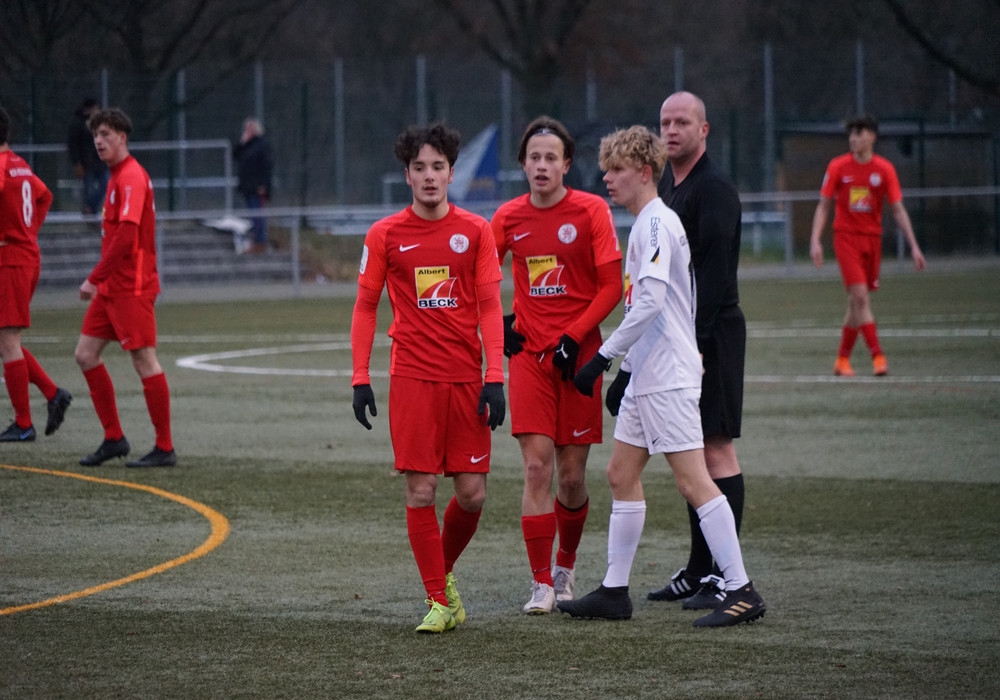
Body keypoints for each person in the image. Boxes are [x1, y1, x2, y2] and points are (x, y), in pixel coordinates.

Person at [557, 125, 765, 627]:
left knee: (694, 481)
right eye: (606, 169)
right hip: (649, 374)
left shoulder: (654, 223)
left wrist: (603, 357)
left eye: (617, 169)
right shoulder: (648, 223)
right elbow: (654, 305)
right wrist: (628, 371)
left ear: (644, 172)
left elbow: (650, 302)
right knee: (620, 474)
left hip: (668, 376)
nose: (607, 179)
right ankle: (614, 591)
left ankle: (741, 589)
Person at [350, 122, 505, 633]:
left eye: (438, 166)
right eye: (420, 167)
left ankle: (443, 571)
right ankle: (439, 600)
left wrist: (495, 376)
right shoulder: (384, 234)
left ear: (452, 173)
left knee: (472, 494)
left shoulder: (476, 231)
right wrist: (360, 377)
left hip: (465, 379)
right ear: (407, 175)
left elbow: (490, 309)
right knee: (420, 491)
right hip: (412, 378)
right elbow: (365, 308)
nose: (430, 176)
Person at [490, 116, 622, 614]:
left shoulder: (591, 210)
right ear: (523, 164)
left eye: (551, 157)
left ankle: (566, 566)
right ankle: (542, 582)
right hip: (529, 357)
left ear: (567, 164)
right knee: (535, 467)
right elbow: (476, 275)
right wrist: (497, 321)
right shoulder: (507, 217)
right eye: (534, 157)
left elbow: (611, 287)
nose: (542, 165)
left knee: (570, 476)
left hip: (579, 359)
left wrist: (574, 335)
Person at [646, 91, 749, 611]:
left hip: (712, 337)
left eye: (682, 122)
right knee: (691, 451)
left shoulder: (714, 189)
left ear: (703, 130)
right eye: (665, 122)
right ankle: (698, 570)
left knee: (716, 448)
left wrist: (698, 342)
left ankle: (724, 577)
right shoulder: (668, 185)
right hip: (681, 337)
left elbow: (713, 278)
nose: (671, 130)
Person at [74, 108, 176, 468]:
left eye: (105, 134)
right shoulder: (116, 176)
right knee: (85, 355)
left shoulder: (131, 176)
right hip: (112, 287)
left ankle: (165, 447)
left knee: (144, 360)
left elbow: (127, 237)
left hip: (132, 286)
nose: (99, 141)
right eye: (95, 136)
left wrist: (94, 277)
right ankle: (114, 438)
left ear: (122, 137)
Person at [810, 113, 926, 377]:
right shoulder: (838, 166)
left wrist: (914, 246)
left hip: (872, 241)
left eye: (858, 134)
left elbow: (897, 209)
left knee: (856, 303)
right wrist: (815, 239)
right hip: (845, 238)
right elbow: (824, 205)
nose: (852, 139)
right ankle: (878, 357)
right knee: (861, 298)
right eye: (851, 134)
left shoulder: (884, 169)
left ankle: (842, 360)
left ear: (872, 137)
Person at [0, 107, 73, 442]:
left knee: (8, 340)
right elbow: (45, 196)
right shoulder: (19, 163)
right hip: (21, 256)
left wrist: (18, 234)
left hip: (11, 260)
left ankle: (24, 423)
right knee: (6, 340)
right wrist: (28, 231)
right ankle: (53, 394)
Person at [233, 118, 274, 254]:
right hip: (247, 186)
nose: (247, 131)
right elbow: (236, 155)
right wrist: (241, 142)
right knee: (252, 213)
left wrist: (263, 185)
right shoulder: (246, 145)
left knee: (257, 213)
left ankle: (260, 240)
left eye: (250, 129)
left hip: (257, 186)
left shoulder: (262, 145)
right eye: (246, 129)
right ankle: (256, 239)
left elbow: (267, 166)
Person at [66, 97, 109, 217]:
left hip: (100, 162)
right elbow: (73, 145)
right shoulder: (77, 123)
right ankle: (90, 214)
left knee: (106, 185)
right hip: (86, 164)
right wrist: (77, 163)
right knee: (88, 190)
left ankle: (90, 209)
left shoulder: (99, 123)